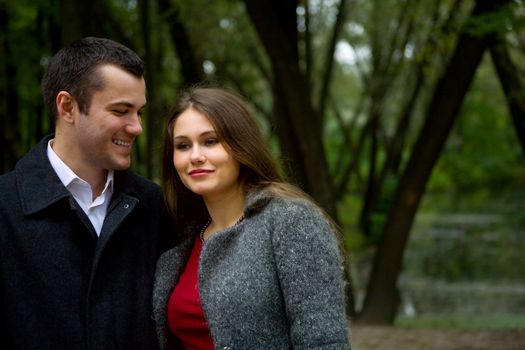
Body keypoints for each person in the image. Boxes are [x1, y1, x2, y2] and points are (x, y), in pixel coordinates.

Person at [0, 37, 174, 349]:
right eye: (121, 110)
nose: (137, 127)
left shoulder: (156, 208)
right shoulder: (5, 207)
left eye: (139, 112)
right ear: (67, 107)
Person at [153, 87, 351, 349]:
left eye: (210, 141)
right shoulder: (180, 240)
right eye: (183, 146)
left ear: (240, 145)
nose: (195, 156)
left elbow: (324, 341)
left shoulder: (291, 221)